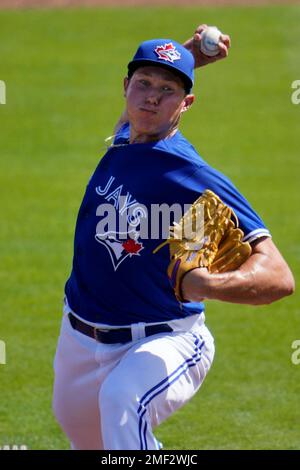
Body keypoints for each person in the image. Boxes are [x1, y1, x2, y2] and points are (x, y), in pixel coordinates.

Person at [52, 25, 295, 451]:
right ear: (125, 87)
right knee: (90, 442)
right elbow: (139, 115)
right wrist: (186, 60)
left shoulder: (192, 176)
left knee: (122, 402)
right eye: (142, 84)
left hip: (165, 338)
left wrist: (210, 284)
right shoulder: (127, 138)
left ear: (186, 105)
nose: (150, 97)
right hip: (78, 339)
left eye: (166, 91)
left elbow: (279, 276)